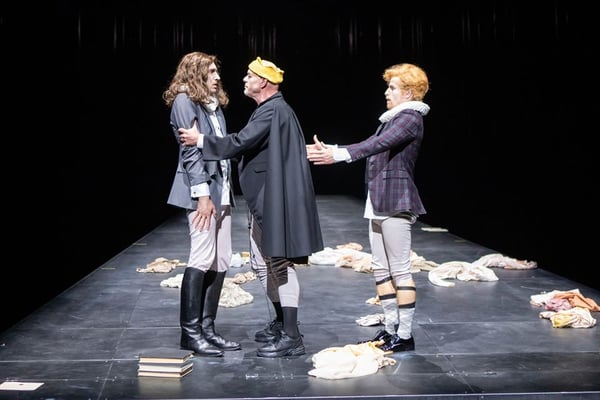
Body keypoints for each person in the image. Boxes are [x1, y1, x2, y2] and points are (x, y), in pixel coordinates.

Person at [178, 57, 324, 358]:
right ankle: (282, 323)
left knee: (279, 263)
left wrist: (200, 139)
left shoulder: (273, 109)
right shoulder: (270, 110)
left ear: (264, 82)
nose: (243, 79)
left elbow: (239, 143)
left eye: (249, 75)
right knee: (261, 262)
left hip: (274, 199)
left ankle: (292, 335)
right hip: (264, 199)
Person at [306, 63, 430, 353]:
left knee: (400, 270)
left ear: (409, 92)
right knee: (380, 268)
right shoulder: (393, 119)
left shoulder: (410, 117)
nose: (387, 92)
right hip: (379, 200)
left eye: (392, 88)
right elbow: (373, 143)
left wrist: (338, 155)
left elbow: (378, 144)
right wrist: (333, 149)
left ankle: (405, 336)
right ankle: (390, 330)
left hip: (396, 200)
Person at [162, 51, 241, 357]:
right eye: (210, 72)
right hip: (203, 193)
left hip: (222, 190)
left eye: (216, 71)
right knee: (201, 256)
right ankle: (191, 333)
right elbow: (191, 152)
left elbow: (218, 146)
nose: (217, 77)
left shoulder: (212, 104)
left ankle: (208, 328)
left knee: (221, 259)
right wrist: (203, 196)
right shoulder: (185, 101)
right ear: (195, 74)